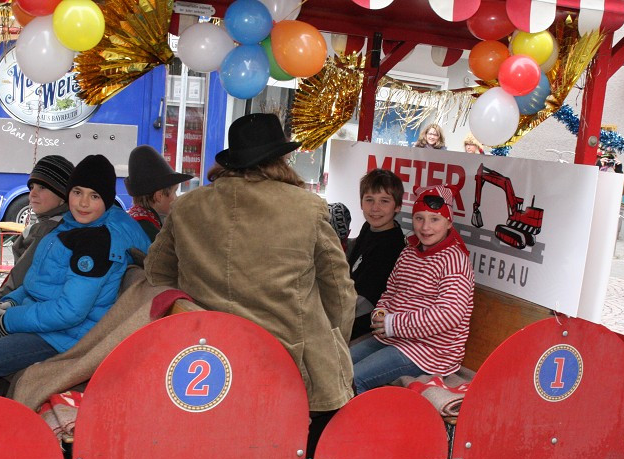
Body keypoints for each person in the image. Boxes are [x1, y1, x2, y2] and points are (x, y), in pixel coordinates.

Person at [144, 113, 357, 415]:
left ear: (232, 160)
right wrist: (336, 341)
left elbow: (156, 272)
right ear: (281, 159)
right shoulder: (307, 208)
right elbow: (340, 292)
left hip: (207, 362)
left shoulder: (186, 206)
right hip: (291, 364)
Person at [0, 154, 151, 395]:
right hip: (39, 318)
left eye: (95, 196)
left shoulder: (96, 243)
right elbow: (35, 282)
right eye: (77, 192)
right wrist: (11, 301)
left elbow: (70, 312)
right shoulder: (70, 225)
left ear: (107, 201)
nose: (83, 203)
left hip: (63, 336)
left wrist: (8, 319)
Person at [351, 184, 474, 394]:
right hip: (393, 337)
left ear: (449, 222)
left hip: (429, 351)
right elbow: (390, 291)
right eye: (419, 218)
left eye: (434, 219)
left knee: (355, 377)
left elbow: (448, 315)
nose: (425, 227)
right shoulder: (409, 252)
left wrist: (393, 323)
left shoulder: (455, 261)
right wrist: (380, 314)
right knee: (336, 363)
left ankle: (359, 426)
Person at [0, 155, 74, 327]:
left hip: (28, 311)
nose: (33, 193)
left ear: (62, 194)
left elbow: (19, 279)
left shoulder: (47, 232)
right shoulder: (53, 224)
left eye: (42, 188)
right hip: (27, 305)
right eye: (32, 187)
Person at [347, 169, 406, 339]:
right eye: (369, 200)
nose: (375, 208)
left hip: (365, 326)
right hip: (347, 310)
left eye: (384, 201)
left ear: (398, 206)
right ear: (361, 203)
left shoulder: (392, 246)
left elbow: (364, 304)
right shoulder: (368, 228)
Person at [124, 145, 192, 241]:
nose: (176, 198)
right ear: (159, 196)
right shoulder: (151, 231)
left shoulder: (133, 218)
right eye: (174, 192)